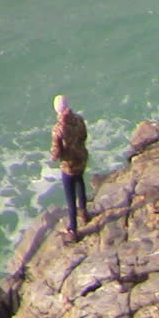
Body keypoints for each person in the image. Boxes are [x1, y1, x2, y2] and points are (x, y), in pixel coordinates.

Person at [51, 94, 89, 241]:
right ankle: (84, 213)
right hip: (81, 158)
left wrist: (54, 157)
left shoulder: (58, 130)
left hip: (68, 165)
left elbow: (56, 152)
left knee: (70, 197)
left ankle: (73, 229)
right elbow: (84, 136)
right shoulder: (79, 119)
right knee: (80, 183)